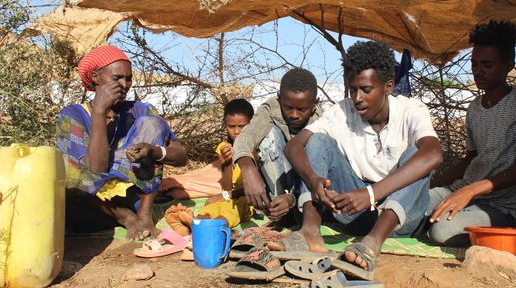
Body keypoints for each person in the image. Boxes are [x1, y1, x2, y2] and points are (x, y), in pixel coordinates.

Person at [277, 41, 443, 274]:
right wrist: (313, 179)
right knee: (318, 141)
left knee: (419, 155)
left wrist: (371, 193)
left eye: (366, 89)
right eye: (352, 89)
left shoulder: (411, 111)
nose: (357, 98)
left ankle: (372, 244)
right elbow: (294, 145)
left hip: (400, 218)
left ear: (387, 87)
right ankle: (310, 232)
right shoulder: (342, 112)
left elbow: (434, 154)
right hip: (355, 214)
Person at [428, 20, 516, 246]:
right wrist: (432, 185)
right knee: (410, 205)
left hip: (501, 206)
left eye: (487, 64)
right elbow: (470, 159)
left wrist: (471, 191)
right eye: (474, 64)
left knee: (441, 231)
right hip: (463, 191)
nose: (478, 71)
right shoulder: (475, 107)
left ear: (508, 65)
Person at [56, 45, 188, 240]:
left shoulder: (140, 110)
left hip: (133, 199)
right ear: (95, 77)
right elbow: (93, 169)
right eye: (116, 78)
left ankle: (144, 216)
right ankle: (125, 217)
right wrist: (99, 113)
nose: (124, 85)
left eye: (129, 78)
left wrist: (153, 151)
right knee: (64, 167)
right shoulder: (72, 115)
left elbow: (181, 156)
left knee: (151, 123)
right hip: (94, 207)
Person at [232, 68, 322, 224]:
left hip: (306, 189)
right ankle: (276, 207)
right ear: (280, 99)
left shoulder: (321, 120)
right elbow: (246, 136)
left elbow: (321, 171)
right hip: (278, 182)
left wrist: (293, 198)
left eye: (301, 109)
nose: (294, 115)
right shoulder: (270, 109)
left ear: (314, 104)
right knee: (269, 135)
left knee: (318, 144)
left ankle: (296, 209)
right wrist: (247, 168)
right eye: (288, 107)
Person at [165, 98, 255, 235]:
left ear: (251, 124)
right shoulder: (223, 148)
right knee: (211, 208)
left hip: (247, 200)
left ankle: (201, 229)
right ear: (225, 125)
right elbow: (226, 186)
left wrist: (226, 195)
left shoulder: (255, 149)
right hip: (228, 195)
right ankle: (196, 223)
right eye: (231, 127)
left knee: (229, 213)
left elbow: (254, 187)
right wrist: (227, 163)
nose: (236, 132)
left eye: (242, 127)